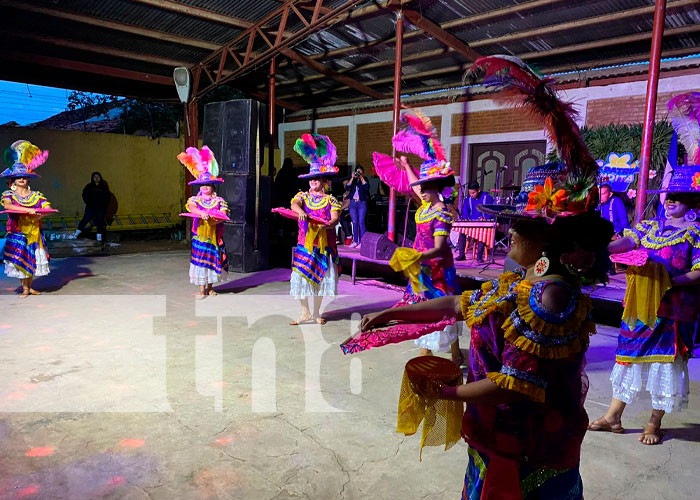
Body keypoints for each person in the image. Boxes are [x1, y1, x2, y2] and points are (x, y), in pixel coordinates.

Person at [355, 55, 613, 499]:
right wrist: (391, 314)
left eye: (522, 226)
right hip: (497, 440)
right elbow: (459, 304)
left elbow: (514, 381)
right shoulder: (520, 281)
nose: (510, 231)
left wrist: (448, 391)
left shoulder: (551, 296)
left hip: (529, 449)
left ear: (548, 240)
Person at [589, 166, 700, 445]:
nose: (671, 200)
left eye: (678, 196)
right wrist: (602, 247)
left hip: (673, 310)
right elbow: (629, 241)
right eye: (668, 195)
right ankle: (614, 416)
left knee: (666, 366)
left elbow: (699, 270)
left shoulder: (696, 233)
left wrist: (670, 281)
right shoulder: (651, 226)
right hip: (639, 307)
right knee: (627, 358)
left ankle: (654, 423)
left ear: (695, 202)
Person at [394, 154, 464, 365]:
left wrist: (414, 256)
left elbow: (439, 248)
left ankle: (431, 354)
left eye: (426, 188)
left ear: (437, 189)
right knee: (428, 310)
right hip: (422, 269)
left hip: (438, 270)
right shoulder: (425, 207)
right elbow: (415, 186)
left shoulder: (441, 212)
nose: (421, 192)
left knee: (438, 311)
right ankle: (451, 350)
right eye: (421, 188)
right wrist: (406, 165)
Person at [289, 133, 341, 325]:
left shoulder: (331, 199)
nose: (313, 182)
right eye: (311, 179)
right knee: (300, 275)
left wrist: (330, 223)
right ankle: (304, 312)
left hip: (323, 245)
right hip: (305, 243)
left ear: (323, 180)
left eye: (316, 179)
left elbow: (335, 218)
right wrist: (300, 211)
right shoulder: (303, 196)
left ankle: (317, 312)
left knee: (319, 279)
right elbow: (294, 204)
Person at [1, 140, 53, 298]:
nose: (22, 179)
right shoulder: (8, 195)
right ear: (12, 181)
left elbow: (47, 207)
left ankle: (29, 287)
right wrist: (27, 210)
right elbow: (8, 207)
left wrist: (41, 214)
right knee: (21, 261)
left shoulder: (36, 195)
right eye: (18, 177)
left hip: (35, 233)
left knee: (32, 260)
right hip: (18, 234)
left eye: (24, 177)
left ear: (28, 179)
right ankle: (24, 288)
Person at [177, 146, 229, 299]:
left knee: (212, 260)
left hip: (214, 237)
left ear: (213, 186)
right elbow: (192, 208)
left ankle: (210, 288)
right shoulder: (195, 200)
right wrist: (201, 213)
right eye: (202, 185)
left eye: (208, 185)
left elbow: (224, 214)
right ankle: (201, 289)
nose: (205, 187)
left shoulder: (219, 200)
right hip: (199, 237)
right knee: (200, 262)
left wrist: (214, 219)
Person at [456, 181, 494, 262]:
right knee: (462, 231)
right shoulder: (468, 199)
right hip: (472, 222)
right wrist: (465, 219)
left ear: (479, 190)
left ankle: (479, 257)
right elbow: (465, 212)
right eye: (470, 193)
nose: (471, 195)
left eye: (473, 193)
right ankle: (462, 254)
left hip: (483, 223)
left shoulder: (487, 197)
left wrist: (486, 218)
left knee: (482, 234)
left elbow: (492, 210)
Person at [74, 171, 110, 242]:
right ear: (92, 178)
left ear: (100, 178)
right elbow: (84, 195)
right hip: (91, 207)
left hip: (100, 208)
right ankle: (76, 234)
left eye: (98, 177)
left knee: (100, 221)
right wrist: (88, 203)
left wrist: (103, 205)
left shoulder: (104, 187)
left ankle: (99, 237)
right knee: (85, 219)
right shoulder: (89, 186)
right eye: (95, 177)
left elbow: (107, 196)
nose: (96, 178)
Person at [344, 165, 370, 248]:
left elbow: (367, 188)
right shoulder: (353, 181)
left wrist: (361, 178)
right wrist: (352, 178)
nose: (358, 173)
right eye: (357, 171)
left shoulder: (364, 180)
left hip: (361, 203)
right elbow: (347, 187)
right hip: (353, 204)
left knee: (361, 222)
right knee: (354, 222)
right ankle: (355, 241)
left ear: (362, 172)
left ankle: (363, 242)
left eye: (360, 171)